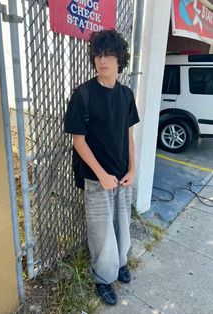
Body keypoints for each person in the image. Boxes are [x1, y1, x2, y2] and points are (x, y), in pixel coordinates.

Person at [64, 29, 140, 306]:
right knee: (101, 232)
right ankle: (103, 278)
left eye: (109, 55)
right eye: (98, 54)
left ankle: (120, 263)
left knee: (122, 225)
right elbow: (79, 141)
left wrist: (132, 169)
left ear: (120, 60)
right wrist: (102, 175)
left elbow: (128, 135)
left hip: (122, 176)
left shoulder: (126, 94)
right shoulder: (83, 94)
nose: (102, 60)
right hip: (96, 178)